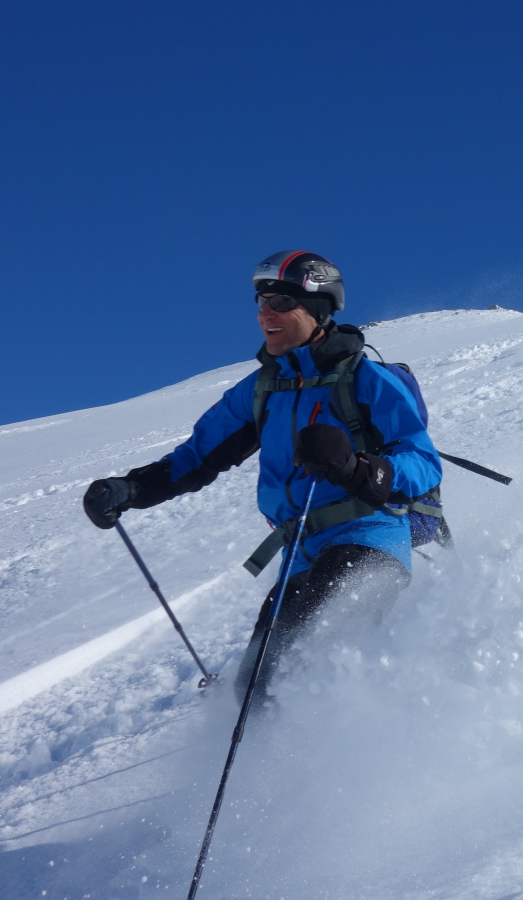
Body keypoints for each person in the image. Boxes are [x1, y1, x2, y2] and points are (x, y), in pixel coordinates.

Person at [82, 250, 441, 703]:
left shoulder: (366, 381)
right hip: (300, 553)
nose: (265, 314)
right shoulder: (258, 391)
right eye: (261, 303)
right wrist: (133, 488)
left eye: (280, 304)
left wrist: (354, 466)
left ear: (318, 311)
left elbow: (423, 460)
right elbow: (197, 457)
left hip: (370, 538)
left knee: (308, 662)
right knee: (256, 688)